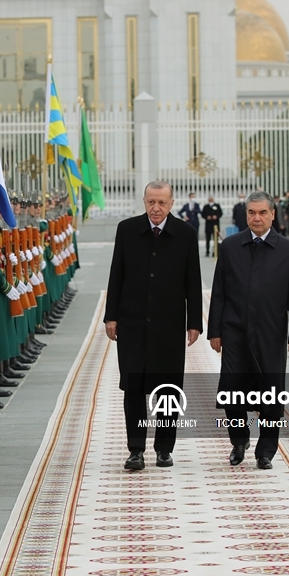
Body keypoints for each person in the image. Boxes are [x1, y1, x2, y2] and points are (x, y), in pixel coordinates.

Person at [104, 181, 202, 470]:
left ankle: (163, 449)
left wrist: (194, 321)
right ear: (144, 202)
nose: (156, 208)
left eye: (162, 202)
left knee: (168, 390)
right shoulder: (127, 229)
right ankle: (135, 449)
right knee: (133, 388)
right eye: (151, 202)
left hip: (168, 325)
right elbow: (116, 274)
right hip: (132, 323)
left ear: (172, 203)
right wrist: (112, 316)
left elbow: (192, 281)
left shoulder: (185, 234)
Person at [207, 191, 289, 470]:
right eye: (252, 213)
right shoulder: (229, 246)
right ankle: (239, 442)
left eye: (263, 213)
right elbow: (219, 292)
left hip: (271, 334)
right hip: (234, 332)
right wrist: (215, 330)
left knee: (271, 394)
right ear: (245, 214)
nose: (257, 218)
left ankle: (266, 451)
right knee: (232, 392)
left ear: (273, 214)